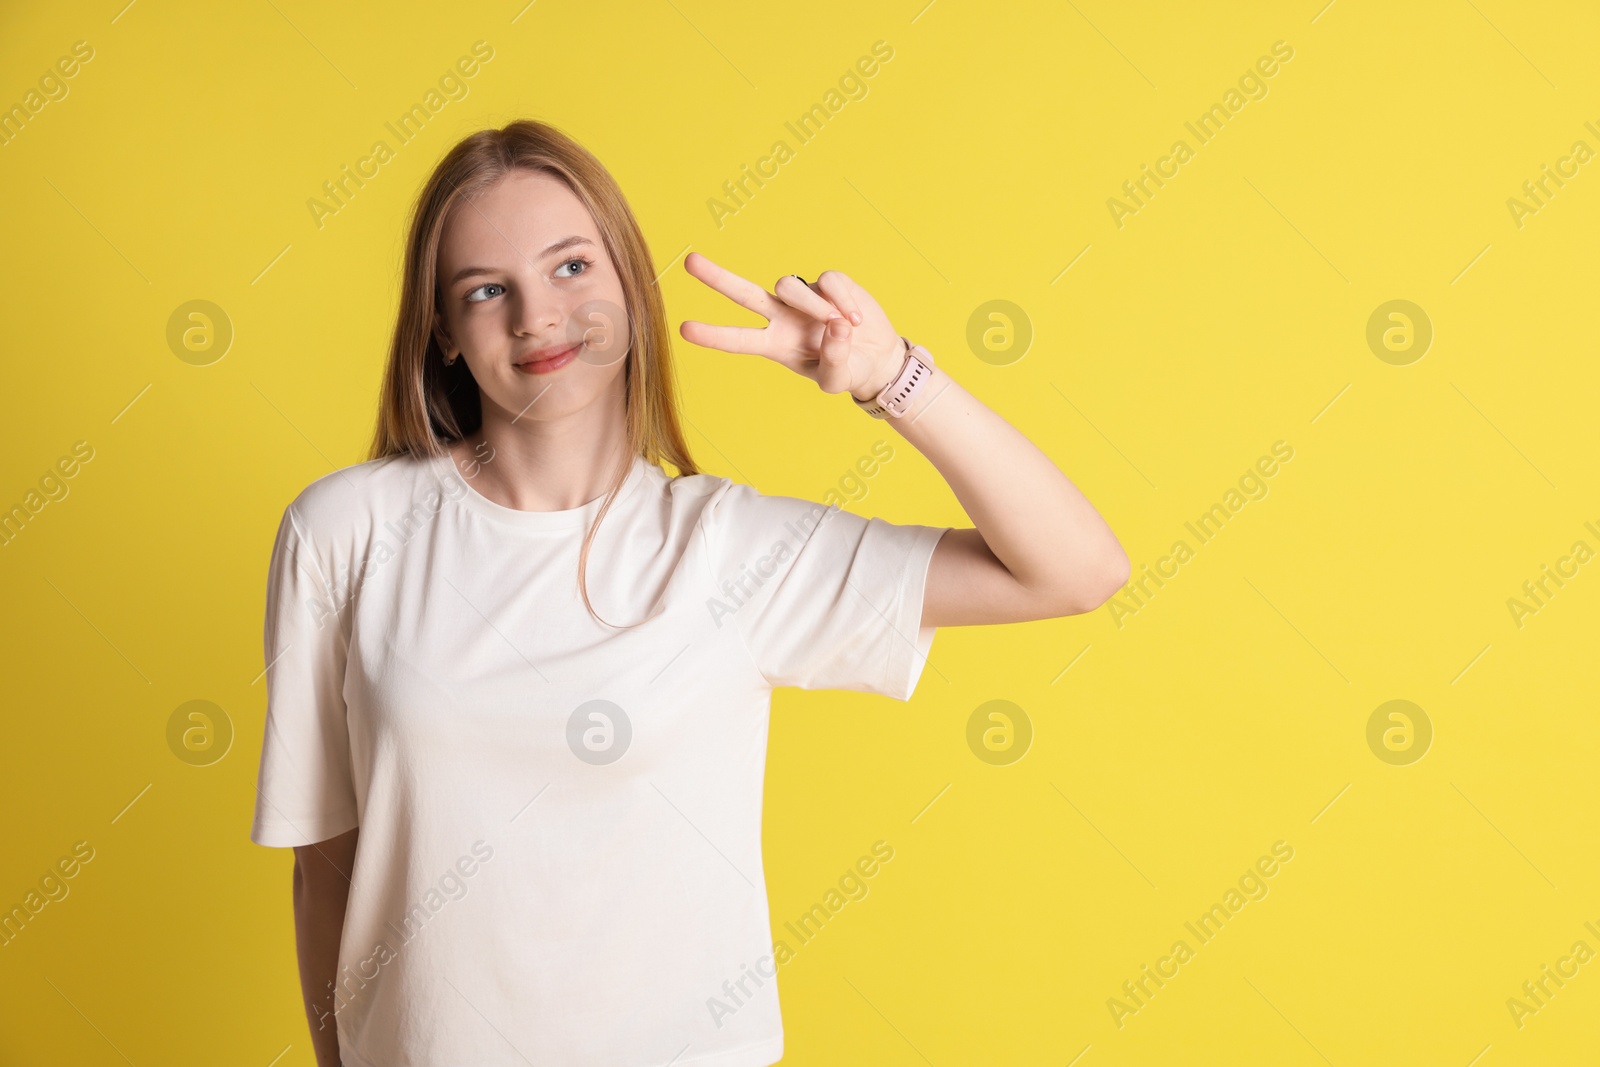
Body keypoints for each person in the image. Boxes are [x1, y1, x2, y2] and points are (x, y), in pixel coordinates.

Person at [250, 118, 1128, 1067]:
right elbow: (324, 865)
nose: (537, 317)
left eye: (573, 267)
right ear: (446, 335)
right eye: (488, 290)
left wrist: (889, 379)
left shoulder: (731, 550)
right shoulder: (343, 532)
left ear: (630, 281)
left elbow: (1077, 570)